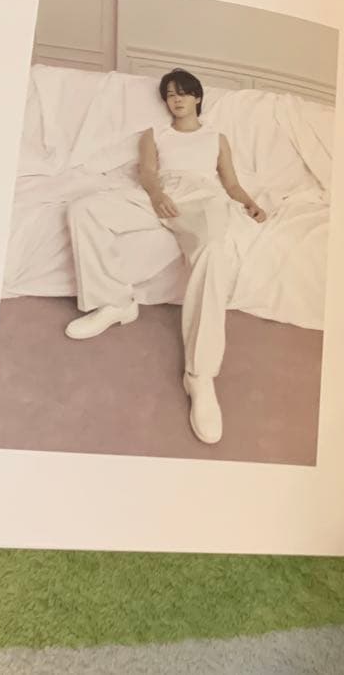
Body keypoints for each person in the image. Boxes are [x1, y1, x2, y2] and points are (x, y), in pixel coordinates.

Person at [64, 68, 267, 445]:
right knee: (84, 210)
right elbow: (148, 172)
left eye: (184, 93)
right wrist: (157, 196)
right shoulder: (154, 134)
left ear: (197, 97)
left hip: (202, 198)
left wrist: (249, 203)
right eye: (170, 94)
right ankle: (115, 303)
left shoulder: (216, 138)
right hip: (160, 195)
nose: (177, 99)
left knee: (212, 250)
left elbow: (230, 182)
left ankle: (199, 375)